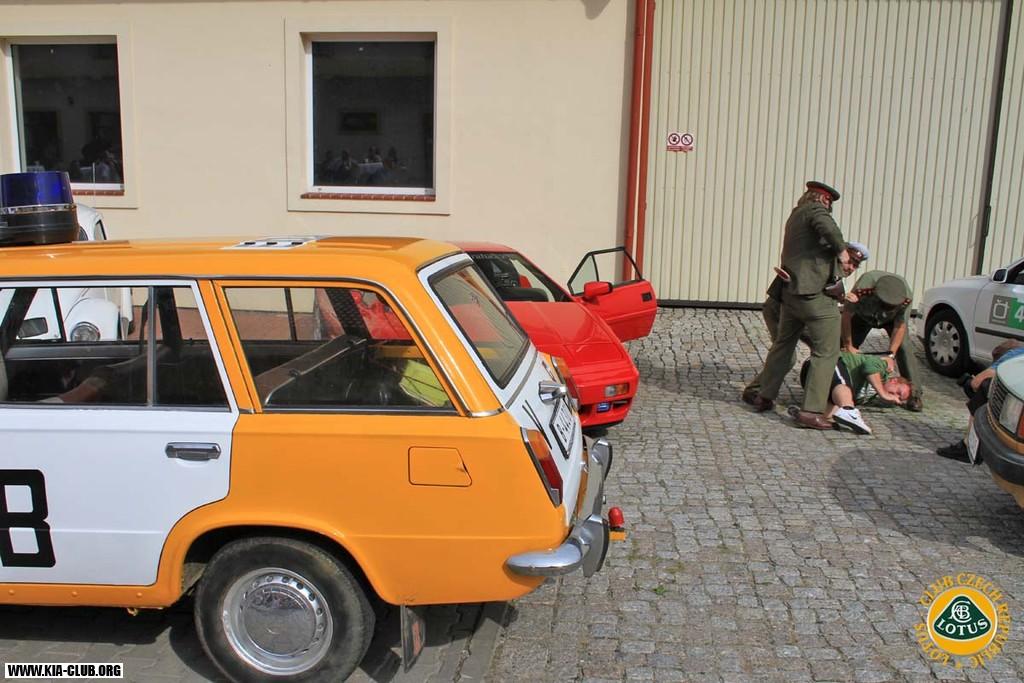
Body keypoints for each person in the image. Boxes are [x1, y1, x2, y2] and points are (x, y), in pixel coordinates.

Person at [742, 180, 849, 430]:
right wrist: (842, 252)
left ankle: (763, 395)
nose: (829, 207)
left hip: (791, 294)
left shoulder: (796, 215)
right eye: (829, 202)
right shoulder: (815, 211)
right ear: (823, 199)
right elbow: (827, 227)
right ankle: (811, 411)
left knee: (783, 345)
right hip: (814, 297)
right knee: (827, 352)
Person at [841, 270, 922, 411]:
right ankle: (838, 379)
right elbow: (847, 314)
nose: (886, 309)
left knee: (904, 347)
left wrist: (891, 355)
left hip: (891, 321)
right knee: (842, 346)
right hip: (863, 316)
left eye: (890, 307)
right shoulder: (864, 286)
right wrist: (848, 344)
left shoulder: (905, 297)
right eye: (884, 305)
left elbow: (900, 326)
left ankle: (914, 395)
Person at [936, 339, 1024, 462]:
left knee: (984, 386)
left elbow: (977, 383)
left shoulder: (1015, 354)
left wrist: (968, 382)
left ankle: (969, 446)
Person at [763, 241, 871, 341]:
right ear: (841, 256)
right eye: (849, 262)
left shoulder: (836, 277)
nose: (851, 268)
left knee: (824, 345)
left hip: (800, 313)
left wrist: (844, 297)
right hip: (779, 309)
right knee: (786, 349)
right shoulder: (820, 266)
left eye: (855, 266)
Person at [797, 351, 912, 434]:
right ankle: (849, 411)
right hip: (825, 363)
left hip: (812, 383)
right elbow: (869, 365)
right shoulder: (882, 370)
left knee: (834, 412)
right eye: (898, 392)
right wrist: (883, 393)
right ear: (894, 380)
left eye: (899, 398)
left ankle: (806, 414)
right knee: (845, 393)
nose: (895, 396)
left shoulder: (872, 397)